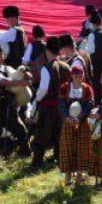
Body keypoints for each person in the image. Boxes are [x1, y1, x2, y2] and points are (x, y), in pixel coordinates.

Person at [0, 43, 30, 168]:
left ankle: (26, 154)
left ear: (2, 56)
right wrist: (20, 83)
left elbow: (20, 72)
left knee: (20, 130)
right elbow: (2, 82)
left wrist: (27, 73)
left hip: (6, 104)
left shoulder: (7, 68)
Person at [30, 37, 70, 171]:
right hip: (62, 106)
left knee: (42, 133)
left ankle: (36, 163)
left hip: (48, 106)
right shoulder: (66, 66)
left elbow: (43, 89)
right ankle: (58, 158)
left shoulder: (46, 68)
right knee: (59, 133)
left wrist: (36, 101)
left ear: (47, 51)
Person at [58, 65, 94, 186]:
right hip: (68, 122)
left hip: (82, 123)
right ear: (72, 76)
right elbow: (61, 104)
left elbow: (89, 104)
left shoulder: (87, 88)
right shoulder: (64, 87)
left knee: (82, 149)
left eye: (81, 76)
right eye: (76, 76)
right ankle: (68, 177)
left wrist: (79, 118)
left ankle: (79, 176)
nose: (79, 78)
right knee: (67, 148)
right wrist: (67, 117)